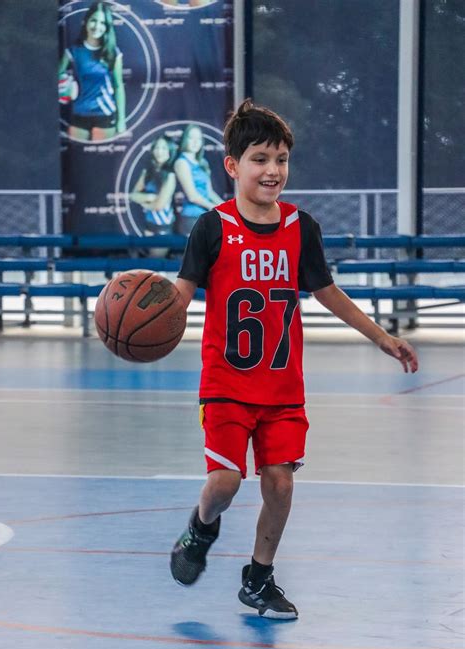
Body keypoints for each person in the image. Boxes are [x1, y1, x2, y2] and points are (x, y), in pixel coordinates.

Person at [170, 99, 419, 620]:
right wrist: (139, 313)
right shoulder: (212, 228)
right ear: (233, 165)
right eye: (260, 159)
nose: (273, 170)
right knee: (224, 483)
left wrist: (381, 336)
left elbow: (327, 292)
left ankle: (258, 579)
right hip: (226, 382)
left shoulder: (301, 227)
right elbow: (180, 295)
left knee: (281, 483)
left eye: (281, 159)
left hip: (283, 387)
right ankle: (200, 528)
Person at [59, 2, 126, 141]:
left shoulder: (113, 52)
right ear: (86, 21)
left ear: (107, 27)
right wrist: (66, 88)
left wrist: (121, 120)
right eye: (94, 20)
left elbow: (118, 86)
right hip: (79, 113)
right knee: (78, 153)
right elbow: (57, 77)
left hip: (105, 114)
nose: (97, 26)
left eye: (103, 23)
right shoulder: (73, 51)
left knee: (102, 153)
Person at [129, 135, 177, 255]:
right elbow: (133, 195)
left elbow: (158, 206)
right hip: (147, 225)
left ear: (170, 151)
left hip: (162, 227)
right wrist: (150, 197)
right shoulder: (147, 172)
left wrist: (145, 204)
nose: (159, 151)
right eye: (157, 147)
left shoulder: (170, 175)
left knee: (156, 262)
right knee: (146, 262)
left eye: (164, 148)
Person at [173, 124, 223, 236]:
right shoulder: (181, 162)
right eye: (192, 138)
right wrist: (216, 209)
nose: (195, 142)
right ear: (185, 140)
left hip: (206, 217)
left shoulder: (203, 162)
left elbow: (209, 192)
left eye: (199, 139)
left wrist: (225, 207)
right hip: (191, 219)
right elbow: (192, 196)